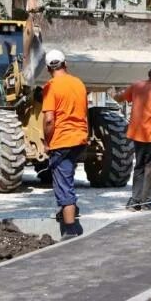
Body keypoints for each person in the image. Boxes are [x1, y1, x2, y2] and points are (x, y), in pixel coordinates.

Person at [42, 49, 89, 240]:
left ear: (48, 68)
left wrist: (46, 141)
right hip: (79, 139)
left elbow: (49, 120)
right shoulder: (79, 83)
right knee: (68, 177)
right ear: (65, 64)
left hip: (62, 141)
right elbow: (85, 112)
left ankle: (70, 230)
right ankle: (69, 213)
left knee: (63, 185)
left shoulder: (51, 86)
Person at [112, 64, 151, 211]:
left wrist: (114, 91)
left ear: (149, 73)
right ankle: (146, 203)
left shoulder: (136, 86)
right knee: (150, 169)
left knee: (138, 168)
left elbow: (119, 98)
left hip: (137, 134)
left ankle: (135, 201)